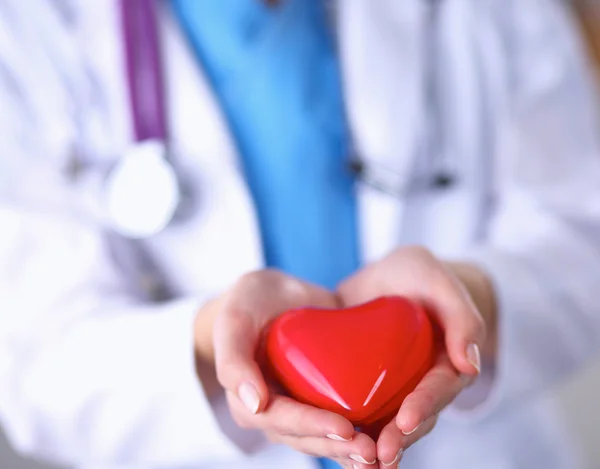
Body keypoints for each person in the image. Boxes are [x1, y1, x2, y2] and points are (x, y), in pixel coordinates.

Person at [0, 1, 599, 469]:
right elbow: (31, 370)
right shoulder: (29, 31)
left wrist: (469, 295)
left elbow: (586, 236)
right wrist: (215, 341)